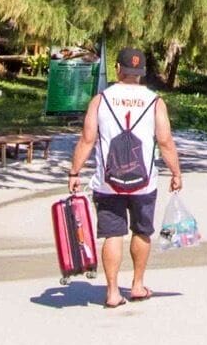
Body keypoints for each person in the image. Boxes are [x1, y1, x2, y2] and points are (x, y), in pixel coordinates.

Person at [66, 46, 182, 309]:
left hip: (108, 183)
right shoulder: (155, 102)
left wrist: (74, 172)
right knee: (142, 231)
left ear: (118, 69)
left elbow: (87, 139)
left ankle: (112, 292)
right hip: (144, 183)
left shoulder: (101, 100)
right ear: (141, 72)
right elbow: (164, 141)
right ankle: (138, 285)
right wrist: (175, 172)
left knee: (113, 234)